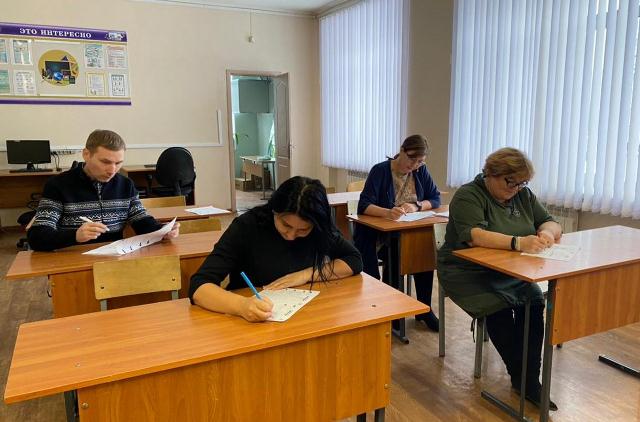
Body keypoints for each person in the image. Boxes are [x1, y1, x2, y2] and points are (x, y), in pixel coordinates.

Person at [437, 147, 562, 410]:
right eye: (510, 182)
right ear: (491, 174)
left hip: (511, 269)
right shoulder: (469, 195)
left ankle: (529, 377)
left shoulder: (523, 194)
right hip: (467, 271)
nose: (516, 189)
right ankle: (524, 379)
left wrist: (547, 233)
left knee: (534, 303)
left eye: (521, 183)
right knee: (499, 309)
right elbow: (474, 236)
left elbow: (550, 221)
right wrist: (519, 242)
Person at [190, 176, 363, 322]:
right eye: (286, 225)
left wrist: (305, 275)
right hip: (252, 322)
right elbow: (199, 286)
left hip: (303, 318)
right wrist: (241, 306)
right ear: (274, 210)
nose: (291, 236)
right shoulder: (247, 226)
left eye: (303, 230)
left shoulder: (319, 228)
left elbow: (353, 260)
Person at [27, 129, 179, 251]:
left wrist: (162, 231)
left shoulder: (126, 185)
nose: (112, 170)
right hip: (72, 258)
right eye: (105, 162)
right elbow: (37, 237)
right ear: (86, 154)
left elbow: (141, 220)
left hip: (114, 257)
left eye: (118, 163)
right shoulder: (58, 185)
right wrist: (75, 236)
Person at [354, 134, 441, 331]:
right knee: (396, 252)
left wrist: (417, 205)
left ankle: (424, 308)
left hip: (409, 231)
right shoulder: (380, 170)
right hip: (380, 235)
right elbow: (364, 205)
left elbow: (435, 198)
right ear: (402, 150)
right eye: (412, 159)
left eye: (420, 161)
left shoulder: (420, 171)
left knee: (423, 252)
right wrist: (388, 212)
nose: (415, 165)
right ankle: (391, 310)